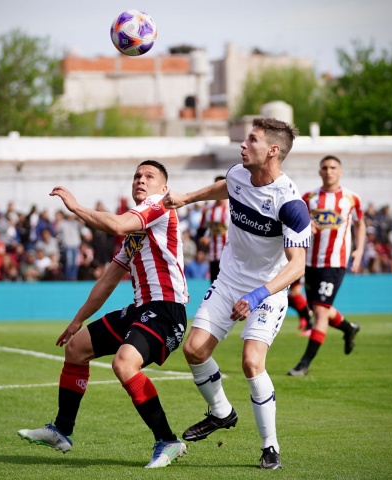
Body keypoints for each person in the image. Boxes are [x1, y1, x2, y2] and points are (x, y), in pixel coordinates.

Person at [17, 160, 189, 469]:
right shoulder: (135, 231)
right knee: (76, 348)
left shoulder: (160, 204)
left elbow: (116, 224)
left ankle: (168, 440)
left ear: (163, 188)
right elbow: (109, 279)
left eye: (149, 176)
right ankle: (62, 431)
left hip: (166, 309)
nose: (140, 179)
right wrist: (77, 320)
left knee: (123, 363)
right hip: (142, 309)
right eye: (137, 175)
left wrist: (76, 208)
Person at [163, 118, 311, 470]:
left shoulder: (292, 204)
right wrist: (185, 198)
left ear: (273, 151)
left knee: (251, 361)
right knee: (194, 349)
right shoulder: (237, 174)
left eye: (252, 140)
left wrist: (259, 294)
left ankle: (270, 446)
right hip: (229, 280)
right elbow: (224, 187)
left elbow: (297, 266)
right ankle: (221, 413)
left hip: (268, 290)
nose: (243, 145)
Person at [287, 155, 365, 376]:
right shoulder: (308, 198)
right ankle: (349, 328)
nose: (329, 171)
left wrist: (358, 251)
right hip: (310, 262)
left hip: (335, 263)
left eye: (333, 167)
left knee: (320, 311)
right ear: (319, 171)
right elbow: (294, 223)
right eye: (325, 168)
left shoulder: (351, 198)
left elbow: (360, 224)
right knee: (320, 308)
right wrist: (305, 226)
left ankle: (304, 363)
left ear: (340, 171)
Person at [196, 176, 229, 282]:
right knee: (215, 286)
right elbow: (200, 231)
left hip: (230, 256)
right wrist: (202, 241)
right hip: (213, 255)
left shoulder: (233, 207)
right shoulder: (207, 209)